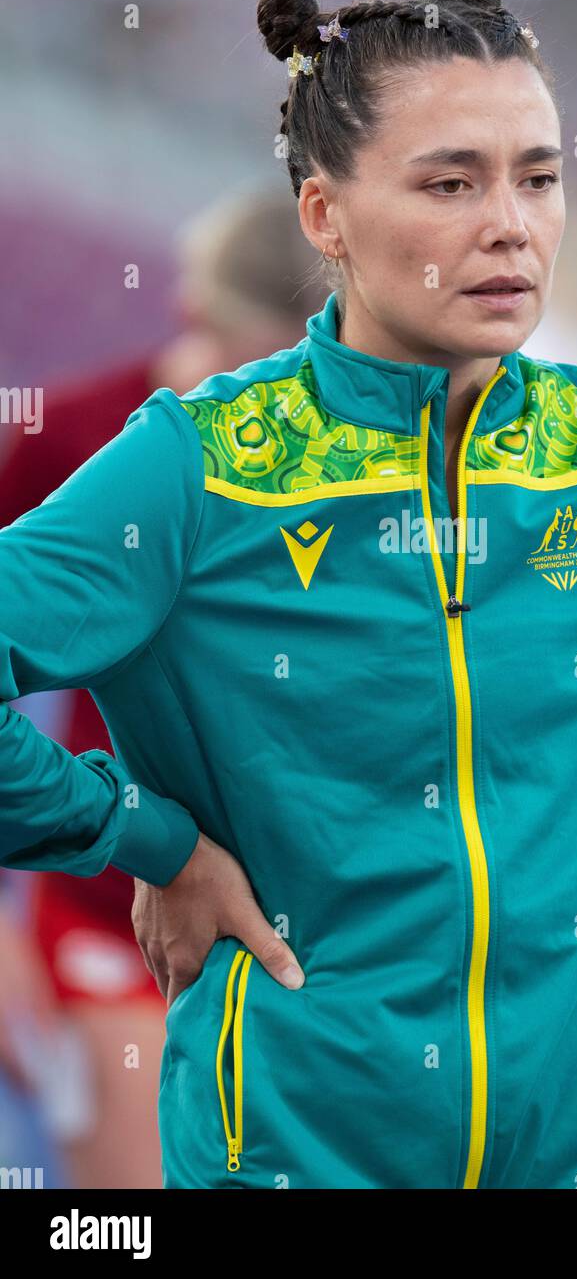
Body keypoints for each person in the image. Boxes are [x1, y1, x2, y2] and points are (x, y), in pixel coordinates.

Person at [2, 0, 577, 1190]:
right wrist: (143, 839)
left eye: (538, 176)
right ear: (324, 217)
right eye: (450, 181)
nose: (510, 221)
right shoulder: (200, 468)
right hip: (286, 1161)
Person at [0, 190, 322, 1187]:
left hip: (330, 943)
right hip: (112, 920)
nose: (195, 364)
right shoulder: (75, 436)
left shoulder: (391, 458)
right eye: (207, 333)